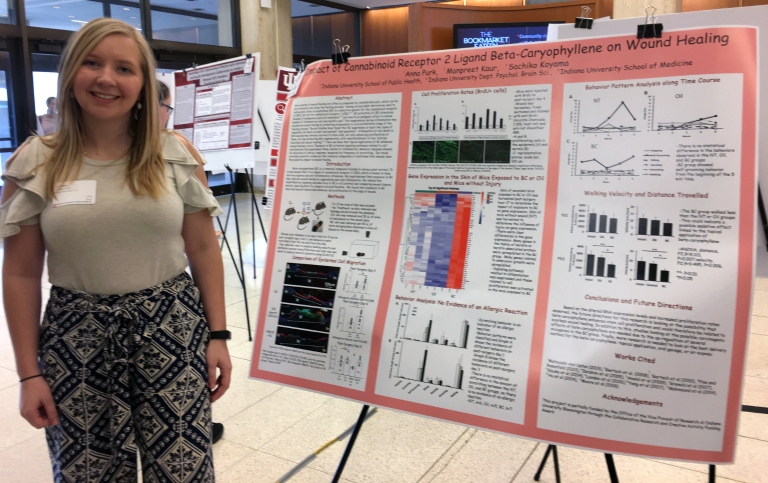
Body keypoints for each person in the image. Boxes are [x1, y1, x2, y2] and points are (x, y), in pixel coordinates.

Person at [1, 18, 231, 482]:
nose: (107, 78)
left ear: (144, 84)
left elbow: (204, 248)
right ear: (70, 75)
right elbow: (20, 274)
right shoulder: (34, 162)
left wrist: (219, 336)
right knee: (90, 473)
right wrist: (29, 375)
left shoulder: (174, 154)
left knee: (182, 471)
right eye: (92, 63)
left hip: (171, 330)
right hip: (75, 341)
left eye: (124, 68)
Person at [157, 79, 225, 445]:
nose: (168, 117)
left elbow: (200, 229)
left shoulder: (175, 148)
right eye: (167, 109)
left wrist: (220, 334)